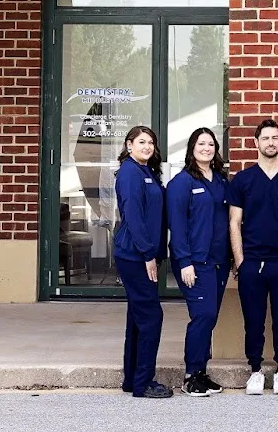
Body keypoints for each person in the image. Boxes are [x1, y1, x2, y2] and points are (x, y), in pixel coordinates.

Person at [228, 117, 278, 395]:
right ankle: (255, 371)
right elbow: (234, 222)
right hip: (252, 263)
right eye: (265, 138)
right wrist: (240, 261)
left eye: (275, 138)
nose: (270, 142)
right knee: (254, 320)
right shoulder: (243, 179)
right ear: (256, 143)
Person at [166, 126, 229, 397]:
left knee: (210, 317)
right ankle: (191, 375)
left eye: (210, 144)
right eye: (201, 144)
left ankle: (202, 373)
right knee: (202, 315)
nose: (206, 148)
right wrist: (184, 261)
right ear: (192, 148)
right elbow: (177, 226)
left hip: (219, 261)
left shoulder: (221, 181)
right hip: (195, 262)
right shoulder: (181, 183)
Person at [113, 125, 172, 398]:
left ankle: (132, 379)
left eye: (150, 142)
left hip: (144, 254)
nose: (147, 147)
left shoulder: (145, 170)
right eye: (141, 142)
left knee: (138, 318)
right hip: (134, 255)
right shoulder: (129, 173)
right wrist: (148, 254)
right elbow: (134, 216)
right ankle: (143, 382)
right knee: (151, 316)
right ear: (129, 145)